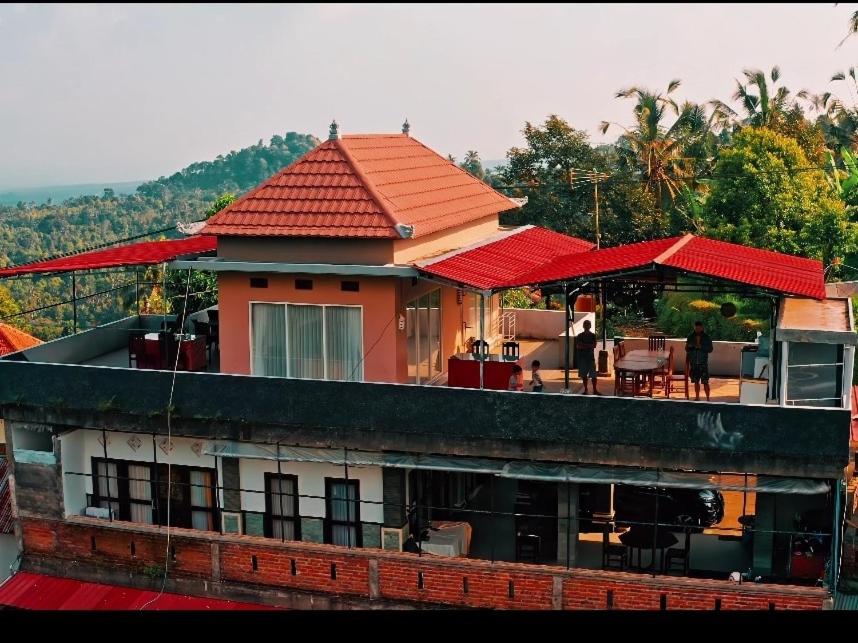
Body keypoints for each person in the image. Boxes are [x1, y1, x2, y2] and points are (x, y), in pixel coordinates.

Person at [685, 320, 714, 401]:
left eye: (699, 327)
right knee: (696, 381)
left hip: (703, 363)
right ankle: (697, 397)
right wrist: (691, 346)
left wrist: (701, 347)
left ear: (702, 328)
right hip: (694, 363)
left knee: (705, 382)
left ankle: (708, 398)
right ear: (694, 327)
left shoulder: (707, 337)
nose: (697, 329)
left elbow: (710, 349)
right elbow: (686, 349)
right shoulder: (690, 336)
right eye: (696, 327)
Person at [576, 319, 599, 395]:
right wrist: (588, 346)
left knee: (594, 375)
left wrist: (584, 345)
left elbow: (594, 345)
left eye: (588, 324)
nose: (587, 326)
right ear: (583, 326)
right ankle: (586, 389)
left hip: (590, 358)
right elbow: (579, 346)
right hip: (583, 358)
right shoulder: (580, 335)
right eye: (585, 324)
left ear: (590, 326)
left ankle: (594, 389)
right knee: (584, 375)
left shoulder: (593, 335)